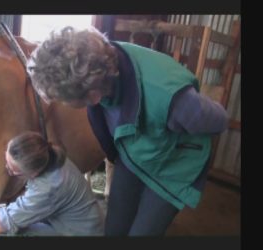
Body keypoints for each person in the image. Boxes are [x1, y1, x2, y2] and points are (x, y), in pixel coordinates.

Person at [26, 26, 229, 236]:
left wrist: (179, 118)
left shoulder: (172, 100)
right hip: (135, 151)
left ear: (93, 95)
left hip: (173, 165)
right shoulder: (101, 68)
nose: (64, 104)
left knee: (142, 233)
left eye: (64, 100)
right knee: (114, 226)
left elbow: (219, 120)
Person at [0, 131, 105, 236]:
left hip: (77, 234)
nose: (6, 168)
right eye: (6, 160)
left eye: (12, 170)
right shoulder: (51, 154)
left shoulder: (48, 188)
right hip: (80, 223)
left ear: (33, 174)